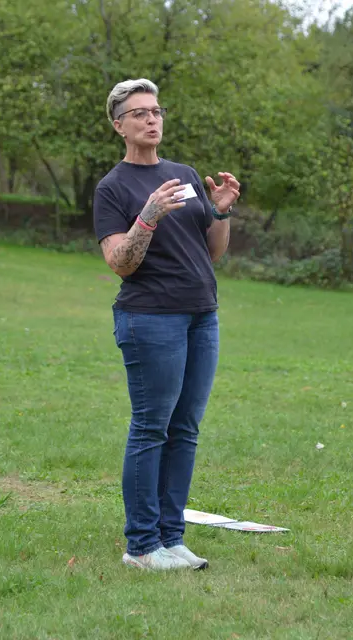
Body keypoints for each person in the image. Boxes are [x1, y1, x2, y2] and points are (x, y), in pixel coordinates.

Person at [94, 78, 240, 571]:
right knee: (151, 427)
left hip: (202, 315)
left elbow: (212, 251)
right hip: (150, 318)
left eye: (156, 111)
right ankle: (141, 546)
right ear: (119, 126)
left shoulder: (184, 174)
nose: (151, 119)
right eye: (139, 113)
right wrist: (149, 215)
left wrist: (220, 211)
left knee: (185, 429)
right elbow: (120, 262)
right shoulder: (113, 187)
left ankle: (171, 539)